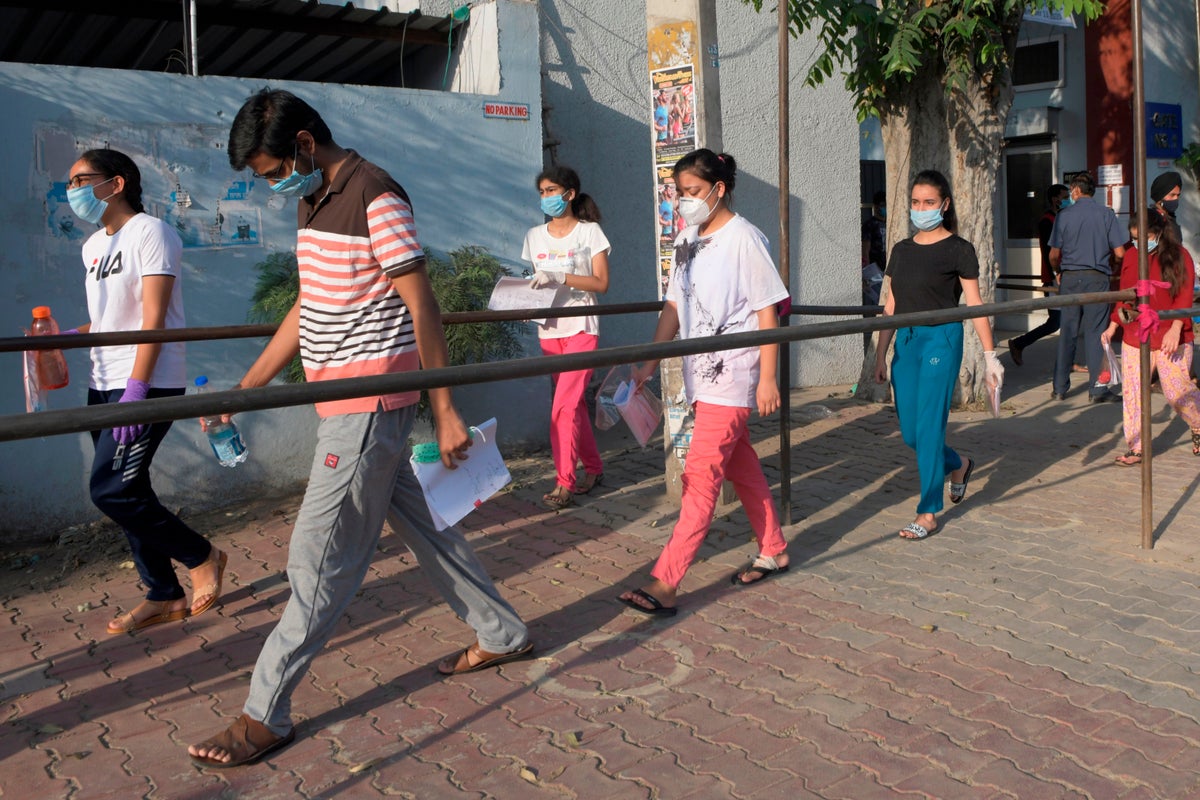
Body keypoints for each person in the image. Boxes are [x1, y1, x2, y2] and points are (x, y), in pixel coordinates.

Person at [188, 90, 532, 769]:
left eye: (271, 171)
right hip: (346, 406)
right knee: (424, 524)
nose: (270, 184)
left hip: (368, 406)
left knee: (315, 564)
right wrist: (245, 390)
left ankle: (265, 716)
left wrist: (444, 407)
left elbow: (422, 304)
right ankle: (502, 632)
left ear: (306, 146)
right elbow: (308, 307)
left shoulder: (376, 195)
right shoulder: (312, 200)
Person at [617, 149, 790, 617]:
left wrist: (768, 378)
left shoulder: (745, 238)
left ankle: (666, 580)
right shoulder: (687, 238)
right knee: (742, 466)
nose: (684, 202)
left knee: (701, 475)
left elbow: (767, 311)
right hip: (699, 376)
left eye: (692, 192)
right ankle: (773, 547)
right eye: (679, 193)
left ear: (719, 189)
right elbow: (674, 305)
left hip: (733, 375)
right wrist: (651, 361)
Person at [65, 149, 226, 636]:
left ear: (115, 184)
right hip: (103, 380)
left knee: (110, 491)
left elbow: (152, 317)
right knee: (129, 489)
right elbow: (112, 318)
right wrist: (65, 339)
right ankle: (163, 594)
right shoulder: (92, 246)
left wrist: (138, 389)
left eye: (79, 179)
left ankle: (202, 556)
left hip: (146, 381)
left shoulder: (152, 232)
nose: (70, 190)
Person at [873, 170, 1003, 541]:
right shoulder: (901, 250)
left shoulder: (959, 249)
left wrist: (991, 356)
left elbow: (975, 304)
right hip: (908, 344)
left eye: (929, 202)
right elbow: (891, 306)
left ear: (944, 205)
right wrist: (881, 354)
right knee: (913, 433)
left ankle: (928, 510)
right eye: (915, 202)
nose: (921, 209)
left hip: (941, 341)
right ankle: (958, 464)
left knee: (930, 427)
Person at [523, 166, 611, 509]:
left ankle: (565, 482)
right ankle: (594, 468)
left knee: (562, 408)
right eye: (542, 191)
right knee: (571, 407)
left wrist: (562, 275)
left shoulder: (590, 233)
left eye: (552, 190)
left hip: (581, 329)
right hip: (549, 330)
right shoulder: (533, 236)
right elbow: (533, 283)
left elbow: (601, 283)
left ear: (570, 194)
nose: (547, 197)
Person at [1101, 213, 1200, 465]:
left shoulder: (1180, 255)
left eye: (1143, 237)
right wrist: (1113, 326)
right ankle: (1137, 447)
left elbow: (1185, 294)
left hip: (1172, 332)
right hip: (1137, 333)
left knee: (1175, 388)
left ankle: (1198, 424)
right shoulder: (1132, 255)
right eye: (1134, 238)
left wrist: (1176, 326)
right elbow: (1125, 294)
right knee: (1132, 391)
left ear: (1158, 232)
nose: (1138, 243)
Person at [1049, 171, 1127, 402]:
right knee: (1096, 335)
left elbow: (1054, 254)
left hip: (1070, 279)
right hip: (1097, 278)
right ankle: (1097, 389)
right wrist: (1111, 265)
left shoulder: (1063, 215)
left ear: (1075, 190)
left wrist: (1058, 272)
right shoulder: (1106, 214)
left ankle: (1059, 389)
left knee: (1068, 334)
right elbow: (1120, 252)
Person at [1009, 183, 1069, 366]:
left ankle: (1068, 359)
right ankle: (1019, 343)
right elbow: (1048, 251)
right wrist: (1054, 274)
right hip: (1054, 277)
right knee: (1056, 322)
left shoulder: (1060, 218)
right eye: (1065, 197)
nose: (1068, 200)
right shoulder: (1047, 221)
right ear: (1055, 199)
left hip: (1062, 274)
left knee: (1067, 320)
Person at [861, 190, 887, 306]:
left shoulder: (890, 222)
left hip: (888, 267)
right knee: (879, 301)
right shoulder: (870, 225)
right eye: (882, 205)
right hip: (875, 270)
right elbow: (865, 248)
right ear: (876, 207)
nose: (885, 208)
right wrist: (866, 268)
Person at [1149, 170, 1183, 242]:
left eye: (1178, 195)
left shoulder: (1170, 218)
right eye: (1172, 195)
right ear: (1159, 197)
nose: (1176, 198)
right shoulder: (1153, 221)